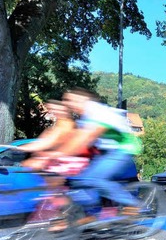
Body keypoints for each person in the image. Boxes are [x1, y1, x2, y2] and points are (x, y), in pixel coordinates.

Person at [44, 88, 141, 225]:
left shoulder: (97, 112)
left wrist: (57, 154)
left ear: (83, 100)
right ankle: (89, 213)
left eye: (70, 101)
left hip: (123, 148)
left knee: (94, 178)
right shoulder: (85, 117)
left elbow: (85, 138)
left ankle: (131, 204)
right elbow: (76, 140)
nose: (68, 104)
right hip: (106, 151)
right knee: (79, 178)